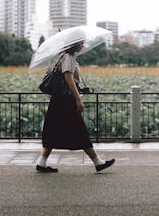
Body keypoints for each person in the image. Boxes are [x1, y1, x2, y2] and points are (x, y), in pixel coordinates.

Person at [36, 41, 115, 173]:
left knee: (53, 130)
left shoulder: (63, 56)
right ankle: (97, 162)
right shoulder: (68, 57)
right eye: (81, 43)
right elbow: (68, 78)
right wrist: (78, 99)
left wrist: (81, 90)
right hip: (66, 101)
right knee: (79, 130)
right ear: (74, 45)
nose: (83, 45)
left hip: (59, 100)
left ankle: (41, 162)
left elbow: (67, 82)